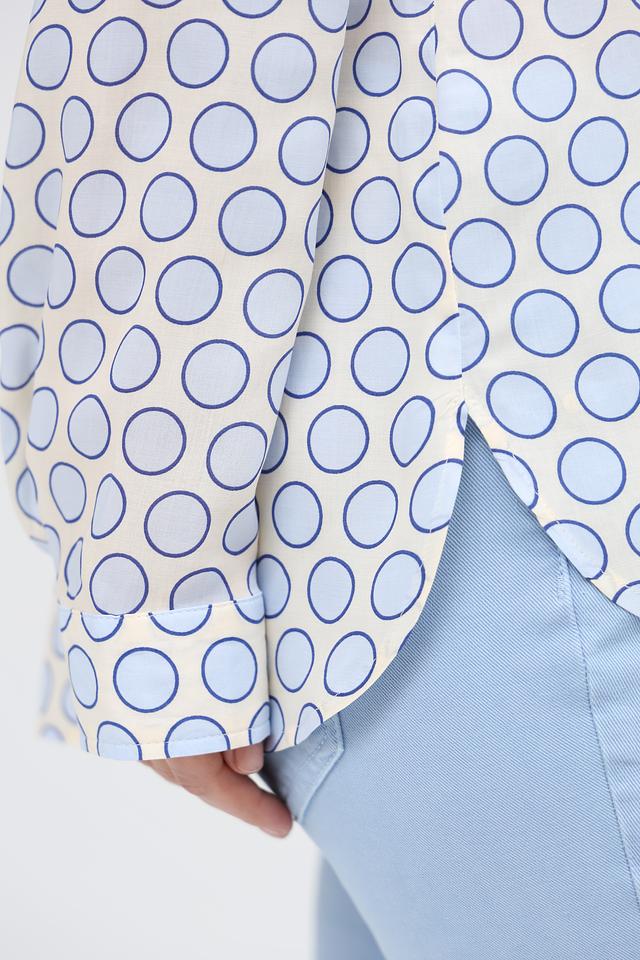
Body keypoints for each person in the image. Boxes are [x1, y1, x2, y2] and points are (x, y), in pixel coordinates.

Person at [2, 1, 639, 956]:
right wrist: (159, 590)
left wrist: (151, 590)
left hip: (466, 493)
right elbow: (192, 69)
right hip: (508, 480)